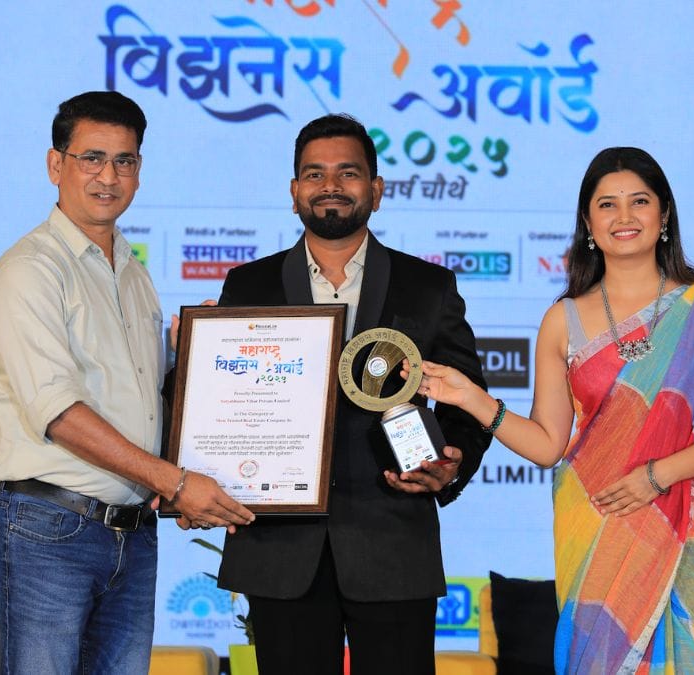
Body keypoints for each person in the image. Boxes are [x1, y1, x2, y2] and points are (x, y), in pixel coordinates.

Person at [408, 147, 694, 674]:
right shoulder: (564, 320)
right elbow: (548, 444)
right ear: (588, 223)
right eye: (607, 204)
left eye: (639, 201)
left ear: (664, 215)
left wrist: (657, 475)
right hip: (601, 525)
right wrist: (470, 398)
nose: (624, 216)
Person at [0, 90, 254, 674]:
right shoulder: (30, 269)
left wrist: (197, 358)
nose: (108, 176)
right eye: (92, 158)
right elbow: (58, 412)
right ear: (56, 164)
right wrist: (177, 482)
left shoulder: (132, 272)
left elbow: (141, 403)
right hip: (50, 531)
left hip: (133, 532)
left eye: (124, 161)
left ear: (139, 170)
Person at [210, 113, 493, 675]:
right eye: (314, 174)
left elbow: (467, 398)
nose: (331, 186)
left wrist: (452, 462)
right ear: (295, 191)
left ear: (376, 189)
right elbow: (224, 400)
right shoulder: (248, 285)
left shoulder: (428, 286)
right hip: (280, 549)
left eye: (348, 172)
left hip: (393, 544)